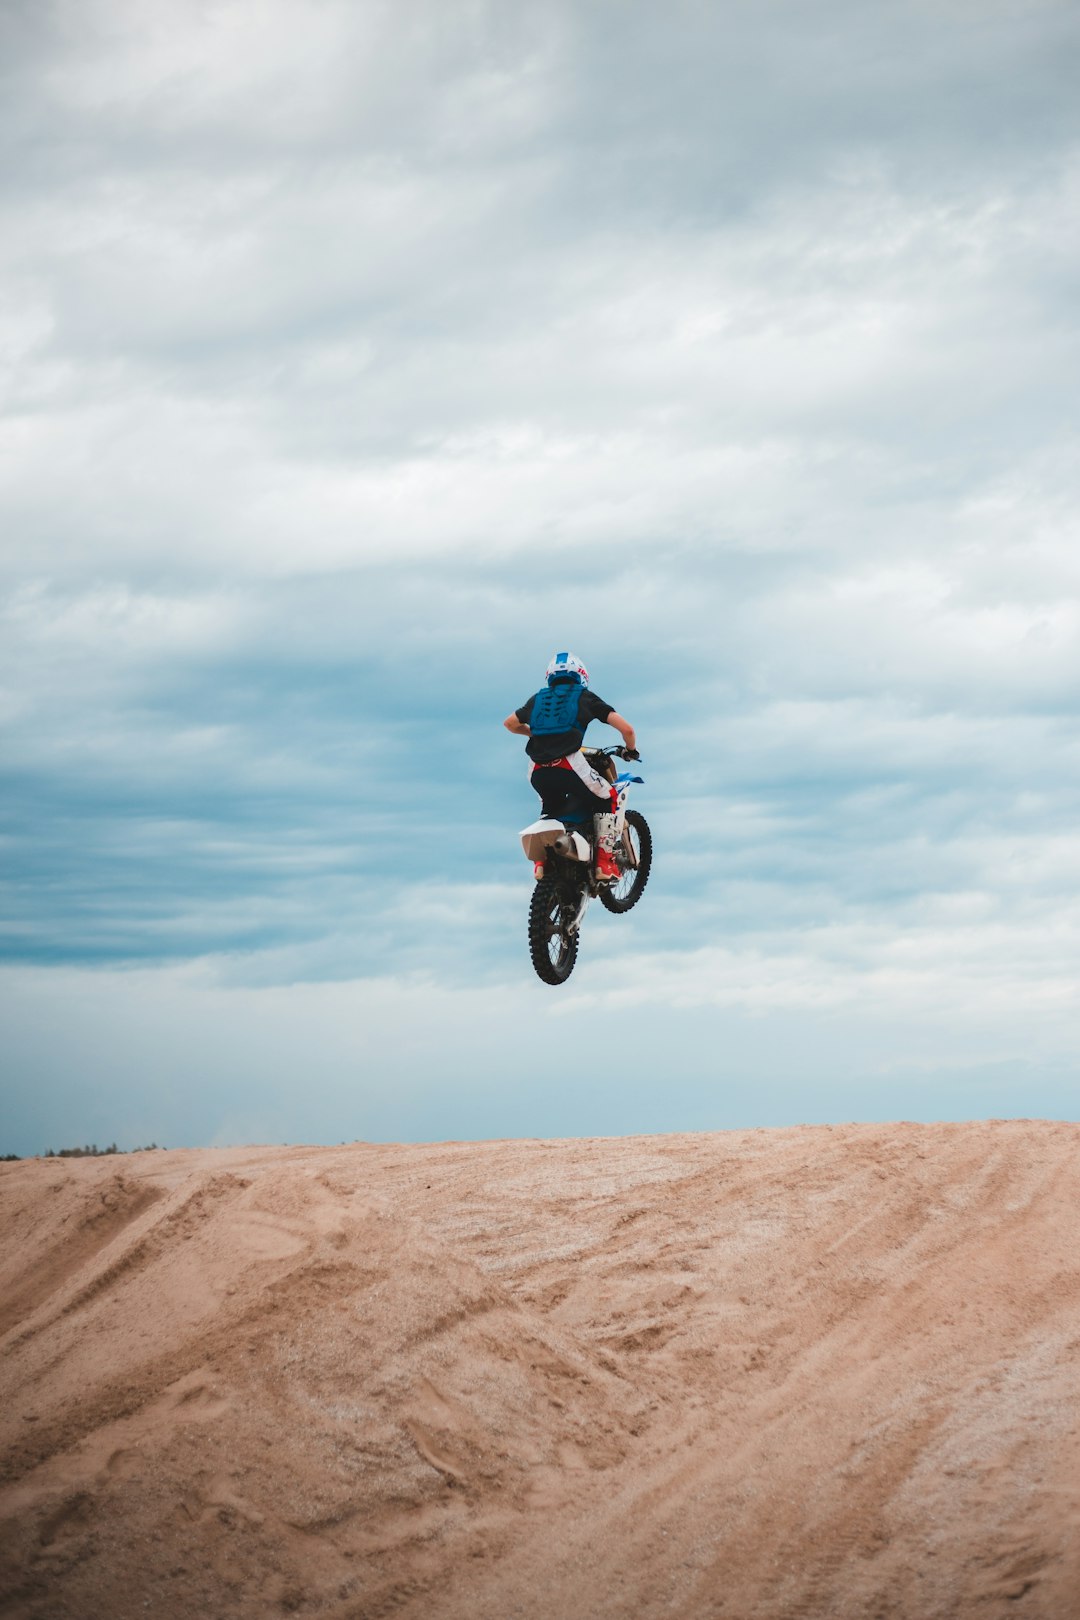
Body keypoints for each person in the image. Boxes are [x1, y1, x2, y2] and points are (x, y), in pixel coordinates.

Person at [504, 651, 638, 882]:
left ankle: (542, 863)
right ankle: (604, 864)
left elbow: (510, 723)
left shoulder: (537, 699)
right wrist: (630, 750)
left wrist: (533, 732)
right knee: (607, 796)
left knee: (550, 810)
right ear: (581, 675)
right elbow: (627, 730)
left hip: (536, 770)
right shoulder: (585, 697)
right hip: (569, 763)